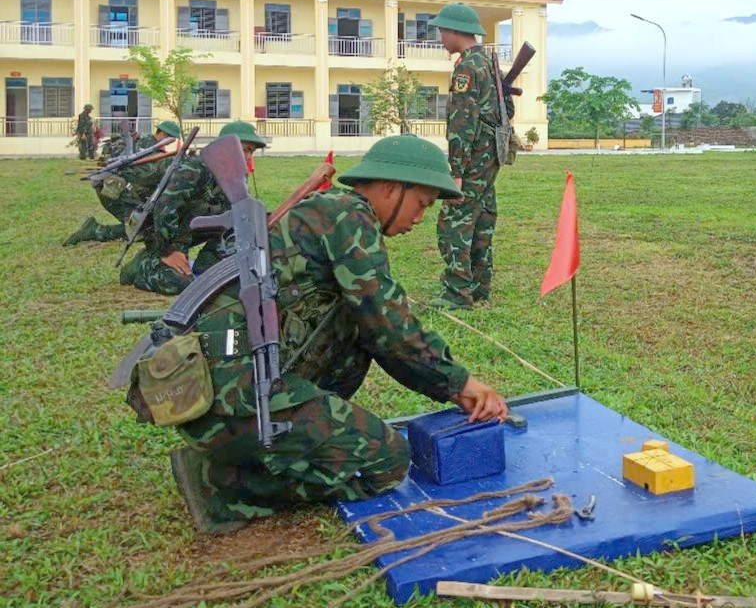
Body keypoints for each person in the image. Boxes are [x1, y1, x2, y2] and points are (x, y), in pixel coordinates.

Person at [125, 134, 509, 534]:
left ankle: (265, 445)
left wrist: (449, 385)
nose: (420, 217)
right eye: (422, 204)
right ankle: (220, 484)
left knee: (353, 337)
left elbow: (378, 334)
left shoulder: (330, 213)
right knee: (386, 461)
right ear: (393, 188)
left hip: (223, 389)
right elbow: (391, 325)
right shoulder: (347, 216)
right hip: (232, 395)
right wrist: (462, 385)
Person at [428, 3, 513, 310]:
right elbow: (507, 111)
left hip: (474, 157)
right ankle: (479, 287)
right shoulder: (489, 62)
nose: (440, 36)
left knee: (454, 221)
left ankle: (457, 293)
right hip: (492, 157)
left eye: (442, 30)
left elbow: (462, 124)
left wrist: (455, 171)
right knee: (482, 218)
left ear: (453, 31)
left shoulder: (466, 68)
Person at [118, 121, 265, 295]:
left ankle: (208, 264)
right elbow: (164, 208)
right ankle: (143, 266)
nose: (248, 157)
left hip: (198, 231)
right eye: (245, 149)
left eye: (251, 152)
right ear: (225, 147)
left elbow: (237, 215)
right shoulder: (196, 168)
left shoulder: (235, 176)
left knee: (223, 277)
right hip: (168, 237)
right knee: (181, 284)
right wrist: (170, 250)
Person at [64, 120, 183, 246]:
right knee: (141, 229)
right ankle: (94, 231)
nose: (173, 142)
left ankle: (95, 229)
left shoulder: (141, 142)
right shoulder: (153, 153)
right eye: (172, 138)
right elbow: (150, 178)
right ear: (164, 134)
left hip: (111, 188)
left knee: (143, 225)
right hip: (118, 192)